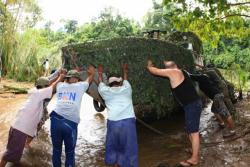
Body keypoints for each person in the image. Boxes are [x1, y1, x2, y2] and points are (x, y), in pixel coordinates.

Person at [0, 73, 64, 167]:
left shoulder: (35, 91)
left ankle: (16, 158)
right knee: (10, 153)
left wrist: (57, 76)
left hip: (17, 126)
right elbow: (52, 87)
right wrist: (61, 78)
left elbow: (48, 84)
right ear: (44, 87)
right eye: (46, 86)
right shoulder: (39, 94)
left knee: (13, 151)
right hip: (20, 129)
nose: (48, 87)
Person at [147, 60, 202, 167]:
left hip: (192, 105)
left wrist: (149, 63)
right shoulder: (182, 71)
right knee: (190, 130)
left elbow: (154, 71)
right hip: (192, 104)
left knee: (194, 132)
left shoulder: (173, 72)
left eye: (166, 67)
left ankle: (195, 159)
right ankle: (194, 150)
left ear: (170, 68)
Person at [50, 66, 95, 167]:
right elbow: (89, 79)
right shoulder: (80, 86)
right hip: (70, 124)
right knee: (70, 153)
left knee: (56, 150)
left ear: (67, 78)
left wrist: (62, 76)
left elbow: (59, 81)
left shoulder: (60, 85)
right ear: (77, 79)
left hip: (55, 120)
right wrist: (92, 73)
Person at [98, 63, 138, 167]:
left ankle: (116, 164)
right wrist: (124, 70)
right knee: (129, 147)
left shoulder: (105, 91)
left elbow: (100, 82)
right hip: (128, 123)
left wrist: (100, 73)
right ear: (120, 82)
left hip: (113, 123)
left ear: (109, 84)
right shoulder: (127, 89)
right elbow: (125, 80)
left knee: (114, 147)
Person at [25, 68, 67, 148]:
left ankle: (28, 140)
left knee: (37, 124)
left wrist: (59, 76)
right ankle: (27, 142)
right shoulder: (45, 91)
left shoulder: (38, 88)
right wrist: (60, 77)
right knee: (36, 125)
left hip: (40, 107)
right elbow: (50, 85)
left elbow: (50, 83)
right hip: (39, 108)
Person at [188, 72, 236, 138]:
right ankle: (222, 124)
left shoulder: (202, 77)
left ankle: (233, 131)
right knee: (214, 110)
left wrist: (184, 71)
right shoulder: (206, 78)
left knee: (226, 114)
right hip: (218, 95)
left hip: (217, 97)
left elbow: (191, 75)